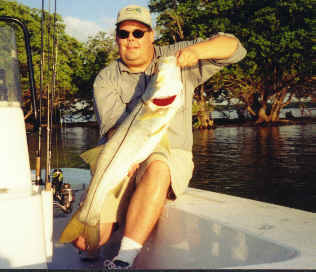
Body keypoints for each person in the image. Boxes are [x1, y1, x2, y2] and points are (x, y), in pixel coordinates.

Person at [74, 4, 247, 269]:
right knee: (86, 242)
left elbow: (233, 48)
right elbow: (111, 130)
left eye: (138, 33)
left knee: (158, 165)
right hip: (120, 156)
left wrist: (194, 52)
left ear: (151, 35)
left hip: (169, 153)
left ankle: (124, 259)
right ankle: (107, 213)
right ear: (117, 37)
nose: (131, 39)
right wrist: (127, 160)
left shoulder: (175, 58)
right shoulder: (105, 79)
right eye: (124, 34)